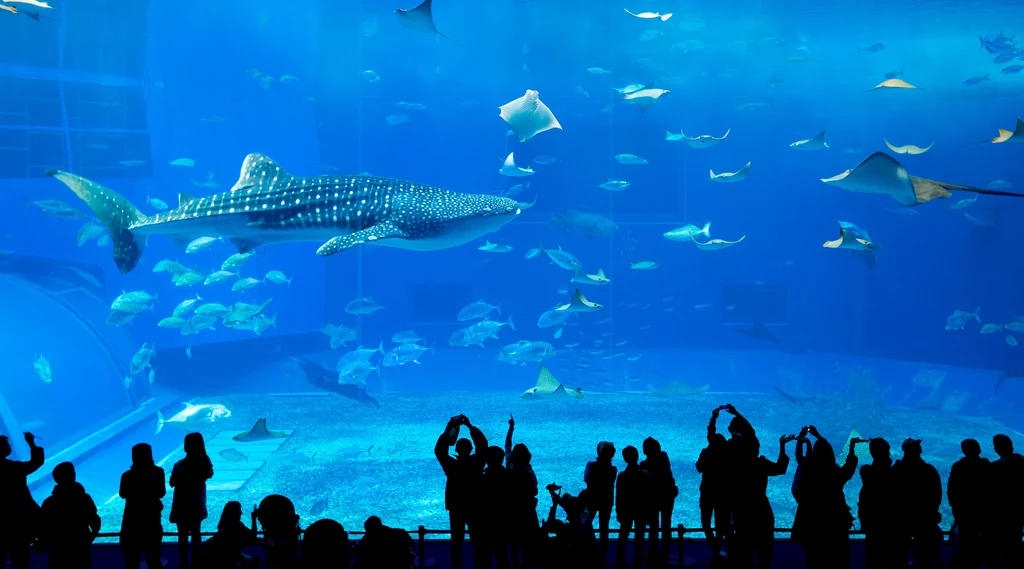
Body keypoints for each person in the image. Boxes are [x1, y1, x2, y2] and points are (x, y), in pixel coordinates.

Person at [721, 405, 793, 569]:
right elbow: (781, 468)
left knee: (744, 556)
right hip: (762, 512)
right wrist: (782, 446)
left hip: (742, 511)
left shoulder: (734, 465)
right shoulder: (760, 464)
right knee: (764, 556)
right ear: (755, 448)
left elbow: (749, 435)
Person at [790, 426, 860, 569]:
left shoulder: (810, 470)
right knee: (841, 557)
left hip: (813, 523)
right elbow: (850, 465)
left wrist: (801, 438)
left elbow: (799, 456)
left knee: (815, 558)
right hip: (836, 521)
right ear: (830, 454)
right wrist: (851, 449)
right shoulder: (836, 473)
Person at [434, 414, 487, 569]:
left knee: (456, 541)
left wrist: (450, 427)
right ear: (471, 449)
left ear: (456, 449)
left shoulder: (451, 465)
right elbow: (483, 445)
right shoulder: (477, 463)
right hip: (475, 505)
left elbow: (439, 450)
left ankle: (456, 567)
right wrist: (470, 426)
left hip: (456, 506)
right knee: (478, 540)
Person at [37, 461, 101, 569]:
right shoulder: (84, 498)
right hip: (80, 544)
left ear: (56, 479)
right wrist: (91, 536)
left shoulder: (49, 502)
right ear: (73, 476)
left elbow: (43, 526)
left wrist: (42, 541)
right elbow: (95, 520)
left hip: (58, 547)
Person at [891, 439, 942, 569]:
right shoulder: (929, 470)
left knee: (898, 558)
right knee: (925, 559)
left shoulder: (895, 470)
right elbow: (937, 495)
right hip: (925, 520)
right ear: (920, 450)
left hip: (900, 520)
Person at [0, 432, 44, 569]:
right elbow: (36, 462)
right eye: (7, 445)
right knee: (20, 562)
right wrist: (31, 443)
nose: (10, 446)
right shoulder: (14, 468)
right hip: (19, 524)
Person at [170, 432, 214, 568]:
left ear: (186, 446)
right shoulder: (205, 462)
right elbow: (209, 474)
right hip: (196, 503)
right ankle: (196, 561)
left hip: (181, 503)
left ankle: (183, 562)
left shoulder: (179, 465)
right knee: (196, 533)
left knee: (182, 535)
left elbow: (172, 482)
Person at [119, 443, 167, 569]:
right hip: (148, 519)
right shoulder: (158, 472)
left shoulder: (127, 475)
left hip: (133, 519)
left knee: (135, 560)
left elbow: (123, 494)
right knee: (152, 558)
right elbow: (161, 493)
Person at [947, 439, 992, 569]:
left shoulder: (958, 466)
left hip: (963, 512)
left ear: (963, 451)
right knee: (985, 544)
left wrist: (955, 508)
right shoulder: (986, 465)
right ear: (978, 449)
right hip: (984, 512)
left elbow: (951, 489)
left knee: (965, 543)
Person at [858, 438, 899, 569]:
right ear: (887, 452)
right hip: (894, 525)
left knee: (872, 561)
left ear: (871, 453)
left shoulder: (866, 471)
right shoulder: (897, 472)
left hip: (872, 525)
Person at [504, 414, 539, 569]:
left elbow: (507, 446)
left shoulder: (509, 465)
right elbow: (535, 489)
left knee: (513, 541)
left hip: (511, 510)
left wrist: (511, 428)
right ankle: (525, 564)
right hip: (527, 510)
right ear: (528, 457)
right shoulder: (528, 471)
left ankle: (515, 565)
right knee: (527, 540)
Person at [696, 407, 730, 561]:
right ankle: (719, 549)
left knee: (706, 523)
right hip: (723, 493)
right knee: (721, 524)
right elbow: (711, 436)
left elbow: (699, 468)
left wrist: (713, 418)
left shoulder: (707, 452)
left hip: (708, 493)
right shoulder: (727, 454)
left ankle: (715, 549)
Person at [540, 483, 600, 568]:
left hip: (578, 557)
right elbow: (570, 505)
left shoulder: (569, 528)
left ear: (569, 512)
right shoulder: (585, 512)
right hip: (592, 554)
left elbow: (550, 524)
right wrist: (554, 494)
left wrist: (554, 506)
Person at [640, 437, 677, 563]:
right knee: (666, 524)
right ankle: (665, 551)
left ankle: (652, 552)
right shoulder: (664, 457)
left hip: (653, 498)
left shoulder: (644, 465)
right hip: (667, 495)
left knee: (654, 526)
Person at [990, 434, 1024, 568]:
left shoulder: (996, 467)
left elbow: (991, 493)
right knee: (1015, 543)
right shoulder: (1022, 462)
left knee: (1000, 549)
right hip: (1018, 512)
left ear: (996, 449)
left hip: (1001, 514)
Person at [616, 446, 651, 569]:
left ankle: (619, 559)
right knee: (639, 537)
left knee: (623, 535)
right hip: (641, 509)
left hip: (626, 509)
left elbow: (618, 496)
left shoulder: (621, 476)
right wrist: (648, 513)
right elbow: (648, 496)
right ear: (637, 457)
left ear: (625, 458)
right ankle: (638, 560)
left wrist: (618, 511)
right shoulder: (645, 475)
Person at [198, 501, 259, 568]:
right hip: (233, 559)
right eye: (239, 510)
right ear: (234, 512)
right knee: (256, 560)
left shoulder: (223, 525)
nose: (241, 512)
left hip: (223, 559)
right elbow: (253, 535)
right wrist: (253, 519)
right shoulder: (238, 525)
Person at [479, 445, 511, 569]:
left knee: (485, 555)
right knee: (501, 553)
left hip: (486, 520)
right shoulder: (508, 475)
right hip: (502, 520)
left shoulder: (483, 477)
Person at [584, 441, 617, 556]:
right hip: (606, 500)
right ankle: (603, 549)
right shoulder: (613, 469)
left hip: (592, 499)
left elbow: (587, 479)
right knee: (604, 526)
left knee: (587, 522)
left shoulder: (591, 465)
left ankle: (585, 546)